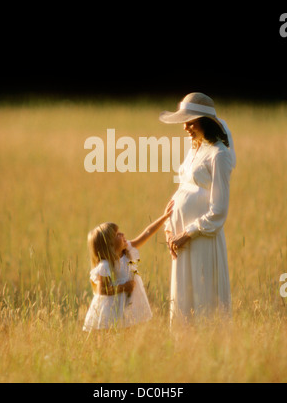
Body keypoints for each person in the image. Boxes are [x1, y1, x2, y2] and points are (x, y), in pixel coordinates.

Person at [159, 92, 236, 325]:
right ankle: (184, 352)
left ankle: (207, 348)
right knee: (183, 296)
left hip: (201, 238)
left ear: (204, 121)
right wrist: (169, 227)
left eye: (190, 122)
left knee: (202, 297)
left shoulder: (219, 155)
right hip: (181, 239)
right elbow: (185, 187)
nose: (185, 127)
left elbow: (218, 210)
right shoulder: (195, 148)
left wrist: (187, 233)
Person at [83, 200, 174, 332]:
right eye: (117, 235)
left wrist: (164, 217)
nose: (122, 234)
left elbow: (147, 233)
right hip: (114, 306)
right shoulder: (106, 265)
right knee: (114, 331)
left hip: (129, 302)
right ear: (109, 245)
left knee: (130, 329)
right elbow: (101, 291)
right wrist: (123, 287)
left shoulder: (128, 250)